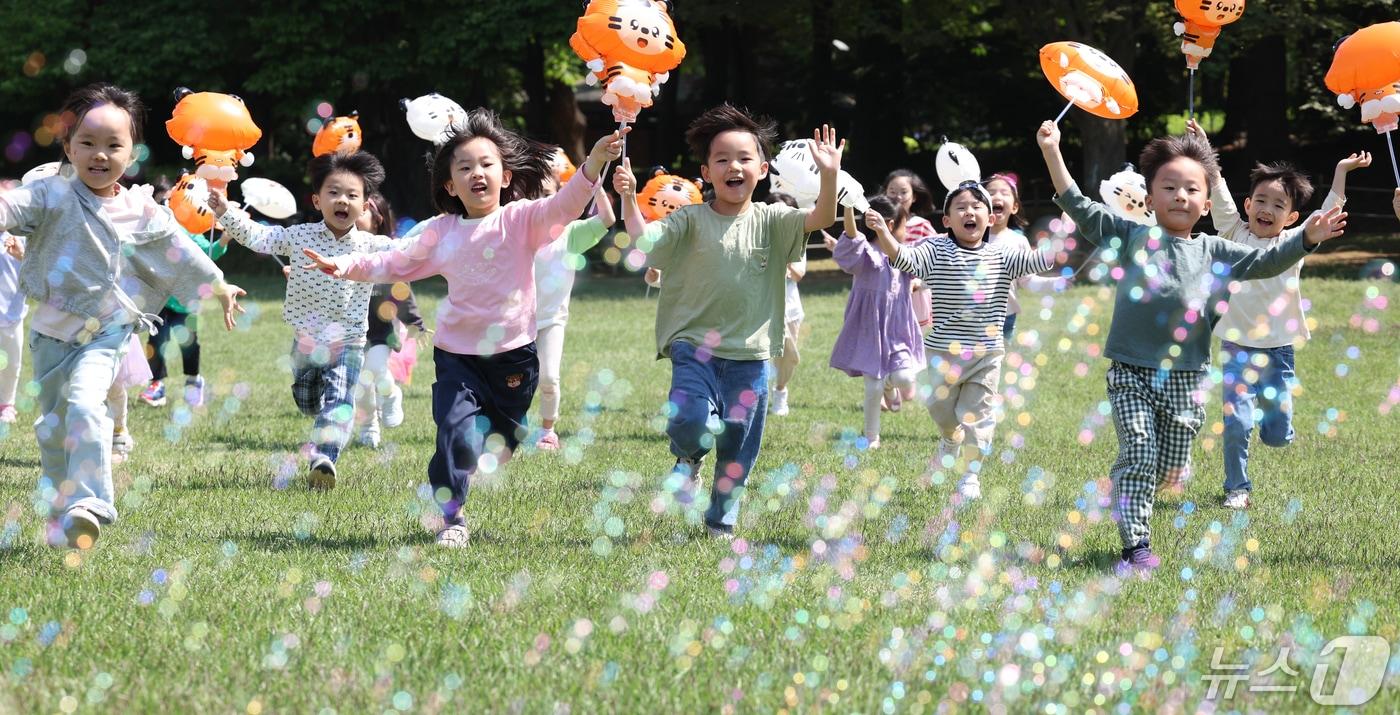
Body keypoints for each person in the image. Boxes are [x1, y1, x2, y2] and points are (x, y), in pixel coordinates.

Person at [303, 109, 626, 547]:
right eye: (465, 167)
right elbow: (393, 259)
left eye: (487, 164)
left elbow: (564, 206)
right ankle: (451, 518)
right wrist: (343, 265)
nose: (478, 173)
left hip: (514, 355)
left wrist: (593, 164)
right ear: (450, 185)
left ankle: (495, 446)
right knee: (455, 435)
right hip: (458, 356)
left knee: (501, 443)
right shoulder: (442, 232)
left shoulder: (523, 220)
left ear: (506, 176)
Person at [1039, 119, 1347, 572]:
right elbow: (1078, 205)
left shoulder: (1215, 251)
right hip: (1130, 370)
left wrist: (1306, 239)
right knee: (1139, 454)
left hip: (1187, 375)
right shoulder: (1131, 236)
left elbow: (1267, 261)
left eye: (1190, 189)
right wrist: (1051, 149)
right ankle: (1136, 546)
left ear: (1206, 203)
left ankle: (1149, 481)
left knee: (1170, 467)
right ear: (1149, 197)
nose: (1179, 196)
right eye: (1169, 187)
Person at [0, 83, 244, 549]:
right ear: (68, 146)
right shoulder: (50, 193)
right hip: (51, 333)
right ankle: (62, 513)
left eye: (114, 144)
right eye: (87, 143)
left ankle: (90, 501)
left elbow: (179, 251)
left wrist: (218, 284)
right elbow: (10, 208)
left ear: (132, 152)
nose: (99, 154)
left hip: (105, 331)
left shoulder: (140, 209)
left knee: (87, 402)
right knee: (52, 429)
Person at [612, 104, 844, 539]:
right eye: (721, 159)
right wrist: (627, 196)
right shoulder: (689, 218)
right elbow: (644, 241)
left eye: (743, 158)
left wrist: (828, 174)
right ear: (705, 172)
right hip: (693, 346)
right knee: (690, 420)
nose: (733, 166)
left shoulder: (773, 220)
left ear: (762, 168)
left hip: (750, 353)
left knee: (738, 442)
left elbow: (822, 218)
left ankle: (720, 518)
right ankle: (687, 457)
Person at [1190, 119, 1365, 510]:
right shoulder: (1233, 233)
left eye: (1279, 205)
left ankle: (1277, 429)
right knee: (1236, 423)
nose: (1268, 209)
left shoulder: (1293, 242)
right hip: (1237, 346)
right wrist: (1203, 148)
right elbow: (1216, 186)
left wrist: (1340, 172)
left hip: (1279, 350)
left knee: (1276, 434)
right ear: (1249, 205)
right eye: (1262, 202)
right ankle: (1238, 488)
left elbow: (1325, 214)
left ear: (1290, 217)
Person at [210, 151, 397, 488]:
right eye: (334, 192)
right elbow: (260, 238)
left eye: (353, 195)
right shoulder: (298, 236)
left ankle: (324, 458)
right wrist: (225, 212)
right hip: (306, 341)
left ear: (366, 204)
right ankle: (316, 409)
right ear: (317, 199)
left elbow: (410, 251)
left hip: (349, 341)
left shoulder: (372, 245)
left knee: (340, 398)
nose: (343, 201)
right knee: (308, 400)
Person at [878, 182, 1058, 502]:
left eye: (977, 206)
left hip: (986, 353)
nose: (969, 211)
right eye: (960, 207)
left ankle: (971, 476)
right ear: (946, 220)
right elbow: (904, 259)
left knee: (978, 416)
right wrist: (884, 234)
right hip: (942, 352)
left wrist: (1061, 236)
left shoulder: (1003, 254)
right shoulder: (934, 249)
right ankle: (950, 438)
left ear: (990, 219)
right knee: (941, 411)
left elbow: (1038, 262)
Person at [827, 198, 924, 449]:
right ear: (890, 225)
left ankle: (891, 388)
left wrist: (917, 283)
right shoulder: (866, 253)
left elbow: (922, 271)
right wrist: (848, 205)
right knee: (872, 386)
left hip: (898, 329)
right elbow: (851, 235)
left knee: (904, 377)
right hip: (869, 330)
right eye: (904, 225)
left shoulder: (903, 254)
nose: (907, 231)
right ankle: (872, 437)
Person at [532, 168, 617, 450]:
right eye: (534, 195)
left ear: (559, 196)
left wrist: (595, 188)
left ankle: (548, 430)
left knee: (549, 377)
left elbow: (607, 219)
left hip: (551, 321)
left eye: (546, 194)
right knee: (512, 381)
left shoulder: (569, 233)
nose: (541, 200)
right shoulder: (517, 228)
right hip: (515, 321)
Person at [352, 193, 429, 449]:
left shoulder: (388, 254)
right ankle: (368, 427)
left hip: (380, 332)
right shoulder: (343, 250)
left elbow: (401, 291)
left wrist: (415, 323)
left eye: (362, 210)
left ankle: (392, 393)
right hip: (349, 332)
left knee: (374, 369)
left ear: (377, 219)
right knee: (361, 385)